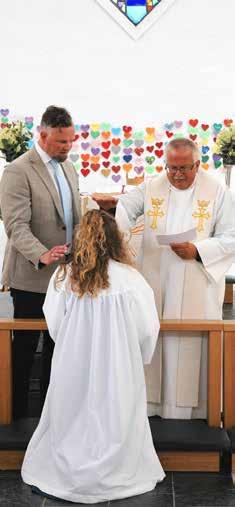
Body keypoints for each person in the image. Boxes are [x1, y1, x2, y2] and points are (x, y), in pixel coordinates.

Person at [21, 209, 165, 503]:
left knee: (72, 413)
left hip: (74, 363)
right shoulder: (131, 280)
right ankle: (117, 469)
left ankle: (68, 469)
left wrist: (75, 346)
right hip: (119, 366)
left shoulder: (64, 276)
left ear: (80, 239)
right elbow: (148, 329)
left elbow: (55, 324)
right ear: (115, 240)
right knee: (116, 413)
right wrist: (134, 357)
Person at [93, 138, 235, 419]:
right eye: (172, 168)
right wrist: (115, 211)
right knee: (155, 339)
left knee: (190, 343)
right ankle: (152, 406)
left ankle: (194, 414)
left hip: (197, 278)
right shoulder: (152, 186)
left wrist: (198, 250)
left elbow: (231, 236)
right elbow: (125, 208)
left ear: (198, 164)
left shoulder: (218, 192)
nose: (177, 175)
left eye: (184, 168)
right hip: (155, 279)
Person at [0, 105, 81, 419]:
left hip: (67, 277)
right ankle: (17, 416)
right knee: (24, 351)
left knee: (58, 349)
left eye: (71, 140)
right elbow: (15, 225)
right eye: (61, 142)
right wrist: (42, 254)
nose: (67, 147)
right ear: (42, 135)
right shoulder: (18, 170)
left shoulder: (68, 167)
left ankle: (51, 416)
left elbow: (72, 216)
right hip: (32, 278)